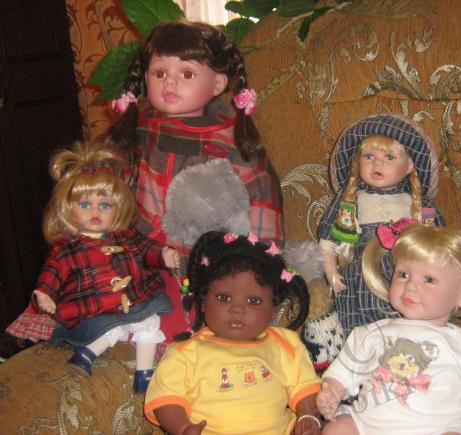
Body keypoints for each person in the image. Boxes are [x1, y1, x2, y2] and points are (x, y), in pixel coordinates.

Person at [107, 20, 285, 341]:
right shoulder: (135, 131)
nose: (170, 82)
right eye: (159, 73)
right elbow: (102, 191)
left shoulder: (231, 139)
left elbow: (262, 202)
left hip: (207, 265)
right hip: (140, 260)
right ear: (145, 77)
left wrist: (260, 265)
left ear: (218, 83)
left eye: (187, 74)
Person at [6, 142, 179, 393]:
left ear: (118, 208)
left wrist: (163, 256)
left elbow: (146, 251)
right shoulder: (67, 248)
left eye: (105, 205)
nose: (95, 211)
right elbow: (53, 273)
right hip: (93, 306)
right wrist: (46, 294)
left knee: (150, 321)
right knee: (113, 326)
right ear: (68, 208)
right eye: (85, 205)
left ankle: (144, 374)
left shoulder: (126, 236)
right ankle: (86, 353)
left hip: (134, 298)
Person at [317, 220, 461, 434]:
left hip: (438, 430)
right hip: (368, 427)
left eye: (429, 279)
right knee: (337, 428)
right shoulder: (369, 333)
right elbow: (342, 372)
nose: (410, 285)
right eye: (403, 274)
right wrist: (332, 392)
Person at [144, 231, 322, 435]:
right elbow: (166, 399)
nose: (237, 309)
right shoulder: (186, 352)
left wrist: (307, 418)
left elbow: (306, 388)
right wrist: (183, 428)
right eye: (223, 298)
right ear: (203, 302)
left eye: (254, 301)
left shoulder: (285, 343)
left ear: (273, 309)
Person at [317, 113, 444, 339]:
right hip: (356, 285)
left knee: (404, 334)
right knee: (357, 336)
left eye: (389, 157)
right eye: (369, 156)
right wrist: (332, 274)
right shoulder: (349, 202)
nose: (377, 163)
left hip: (405, 283)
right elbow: (327, 243)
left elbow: (441, 249)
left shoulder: (419, 206)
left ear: (409, 166)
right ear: (357, 162)